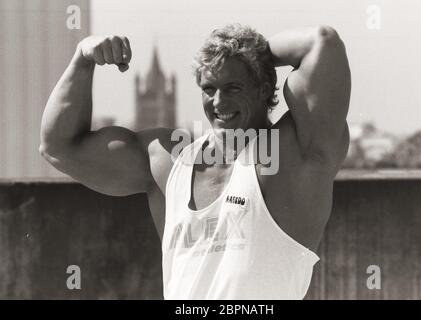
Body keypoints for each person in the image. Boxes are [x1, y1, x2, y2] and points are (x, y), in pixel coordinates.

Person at [40, 23, 351, 299]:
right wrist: (82, 60)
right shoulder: (169, 162)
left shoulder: (294, 156)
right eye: (209, 88)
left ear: (264, 89)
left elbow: (322, 43)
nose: (218, 102)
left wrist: (252, 54)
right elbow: (59, 147)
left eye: (233, 87)